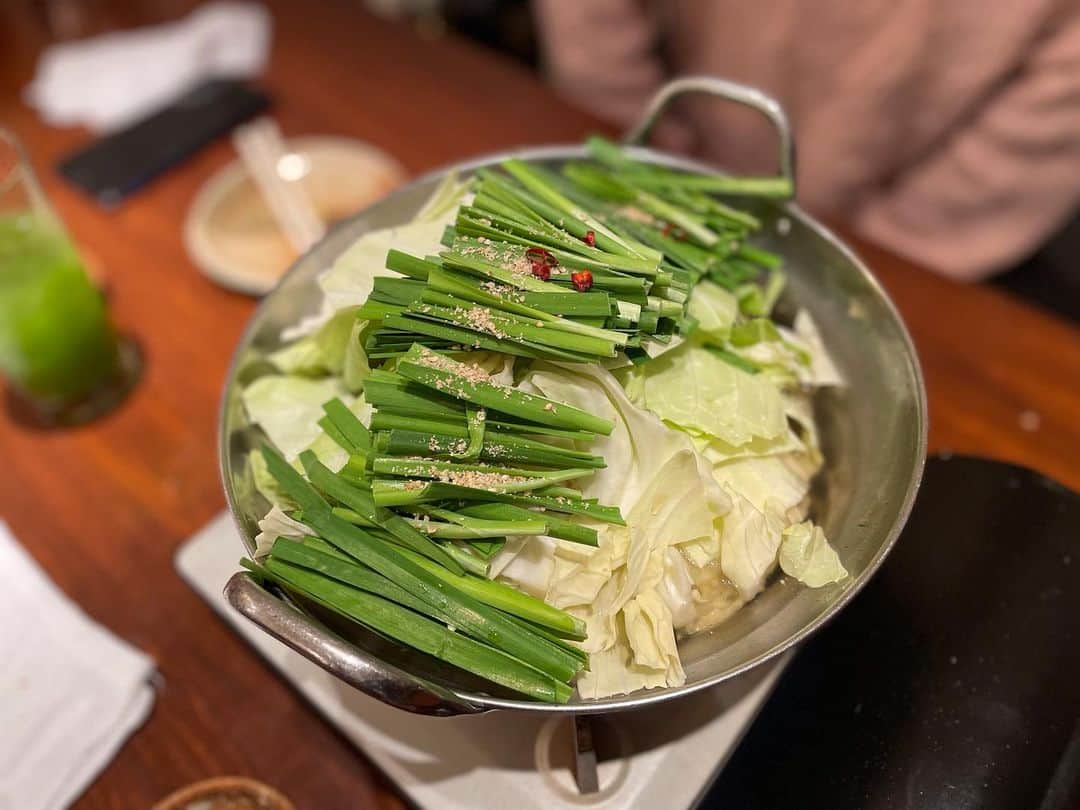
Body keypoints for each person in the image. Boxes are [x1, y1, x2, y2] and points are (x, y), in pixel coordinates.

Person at [533, 0, 1080, 282]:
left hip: (893, 243)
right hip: (659, 160)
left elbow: (1046, 104)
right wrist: (648, 159)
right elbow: (594, 24)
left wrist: (840, 274)